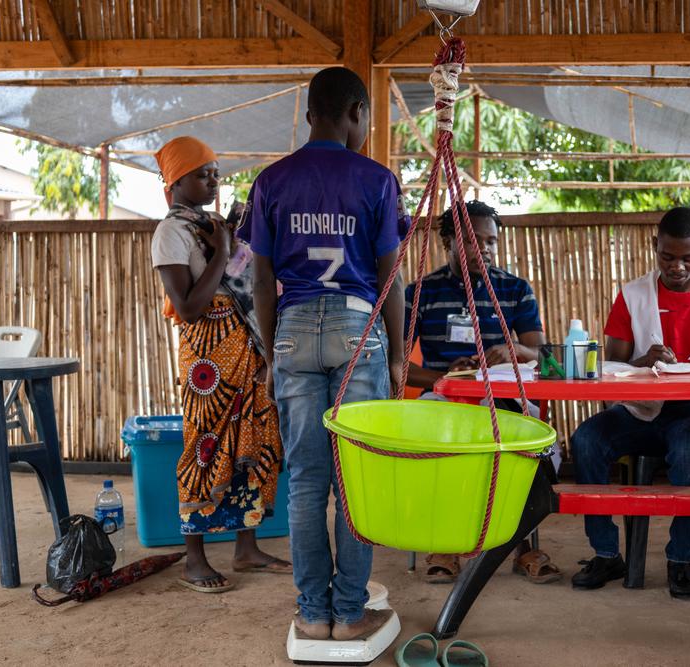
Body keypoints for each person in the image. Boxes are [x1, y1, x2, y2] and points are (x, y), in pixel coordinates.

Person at [245, 67, 408, 642]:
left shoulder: (270, 181)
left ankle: (313, 613)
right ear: (357, 113)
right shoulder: (378, 180)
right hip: (356, 328)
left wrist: (271, 354)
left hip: (291, 329)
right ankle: (350, 609)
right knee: (354, 480)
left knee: (308, 480)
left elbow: (262, 283)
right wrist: (395, 359)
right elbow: (391, 278)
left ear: (310, 113)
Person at [569, 206, 690, 599]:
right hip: (641, 409)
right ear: (654, 246)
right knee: (587, 440)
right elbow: (612, 367)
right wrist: (644, 360)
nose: (677, 266)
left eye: (688, 257)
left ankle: (680, 558)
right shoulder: (632, 295)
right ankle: (606, 553)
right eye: (667, 256)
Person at [150, 136, 291, 595]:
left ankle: (246, 547)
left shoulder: (211, 224)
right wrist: (226, 250)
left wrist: (232, 240)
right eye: (202, 172)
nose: (213, 179)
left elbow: (246, 280)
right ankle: (194, 557)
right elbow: (189, 306)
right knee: (205, 447)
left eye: (215, 171)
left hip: (245, 347)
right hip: (208, 357)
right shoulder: (170, 232)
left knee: (254, 438)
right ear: (176, 180)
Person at [404, 200, 561, 585]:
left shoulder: (514, 289)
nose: (486, 249)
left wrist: (514, 352)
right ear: (448, 241)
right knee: (434, 443)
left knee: (528, 444)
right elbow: (398, 364)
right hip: (446, 398)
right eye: (475, 241)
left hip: (504, 398)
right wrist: (443, 375)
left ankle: (522, 546)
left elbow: (543, 356)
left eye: (492, 241)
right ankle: (443, 544)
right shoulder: (420, 293)